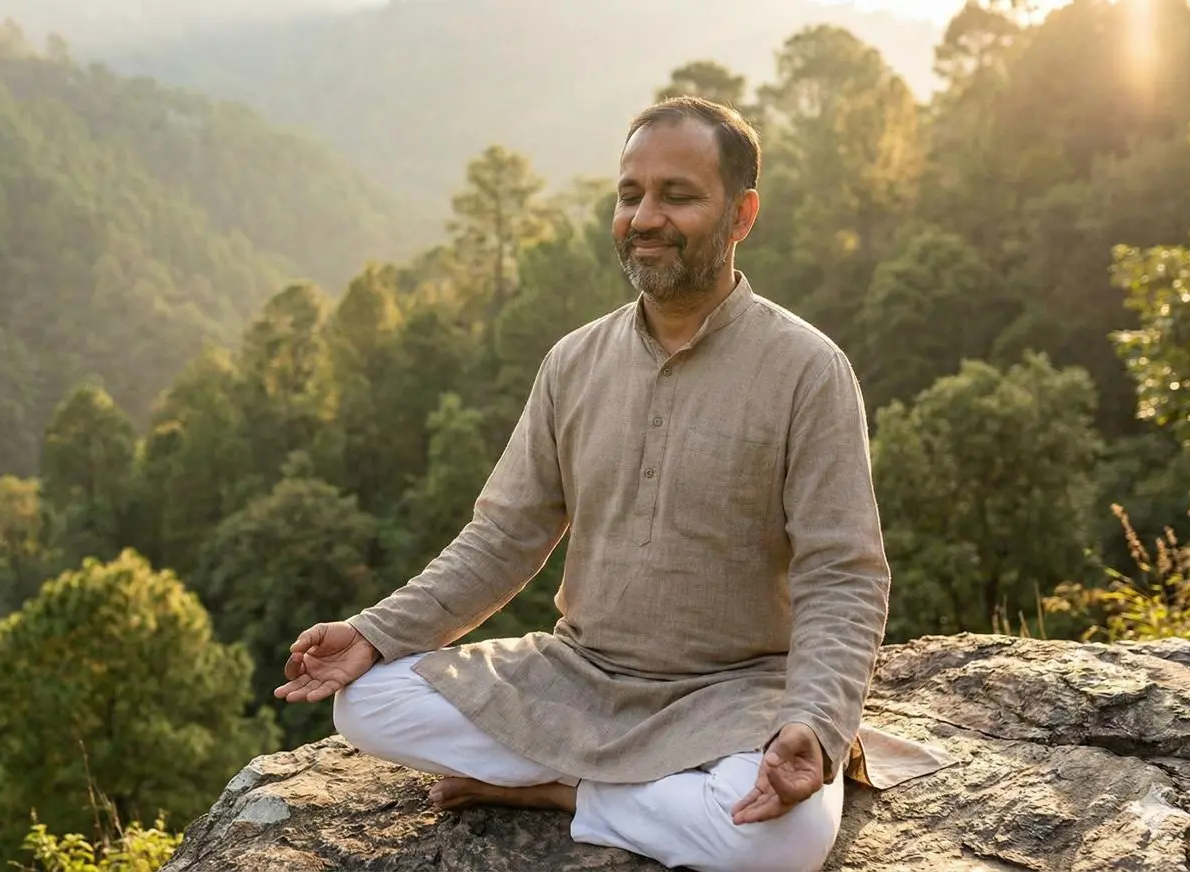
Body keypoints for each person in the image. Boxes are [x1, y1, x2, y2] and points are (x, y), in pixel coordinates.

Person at [273, 95, 948, 872]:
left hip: (737, 694)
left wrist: (817, 723)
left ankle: (559, 794)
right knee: (366, 702)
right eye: (631, 195)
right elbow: (503, 537)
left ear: (742, 215)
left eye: (679, 195)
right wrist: (372, 633)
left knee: (782, 844)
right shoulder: (573, 362)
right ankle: (631, 794)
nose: (645, 216)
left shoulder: (806, 370)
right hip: (579, 678)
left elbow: (845, 575)